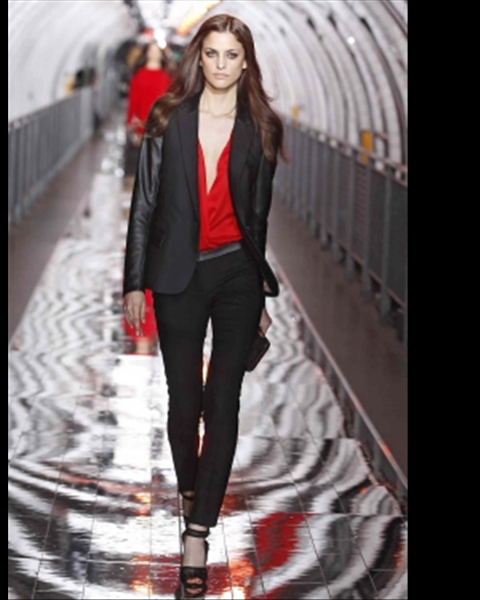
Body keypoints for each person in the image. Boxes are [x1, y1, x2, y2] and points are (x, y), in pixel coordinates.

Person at [122, 14, 285, 599]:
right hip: (176, 274)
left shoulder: (261, 126)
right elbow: (144, 205)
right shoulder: (168, 119)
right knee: (184, 400)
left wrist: (261, 290)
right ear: (200, 58)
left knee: (223, 401)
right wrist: (133, 284)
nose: (221, 65)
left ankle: (197, 531)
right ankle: (192, 488)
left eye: (231, 55)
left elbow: (258, 217)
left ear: (246, 63)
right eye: (212, 54)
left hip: (237, 273)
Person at [125, 43, 173, 179]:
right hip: (143, 121)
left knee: (160, 157)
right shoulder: (139, 75)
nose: (154, 53)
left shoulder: (166, 76)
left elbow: (170, 101)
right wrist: (130, 121)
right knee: (145, 157)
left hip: (162, 121)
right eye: (151, 50)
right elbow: (133, 100)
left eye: (157, 51)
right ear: (146, 53)